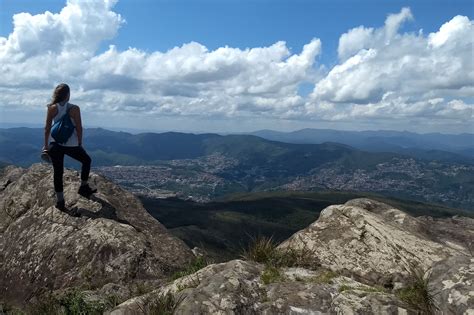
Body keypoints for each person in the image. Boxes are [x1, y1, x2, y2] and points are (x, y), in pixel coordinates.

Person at [43, 83, 96, 213]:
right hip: (71, 144)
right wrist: (80, 142)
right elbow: (79, 127)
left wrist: (46, 146)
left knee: (58, 173)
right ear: (68, 95)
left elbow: (47, 129)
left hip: (55, 144)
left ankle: (60, 202)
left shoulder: (51, 108)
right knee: (86, 160)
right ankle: (83, 187)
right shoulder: (74, 108)